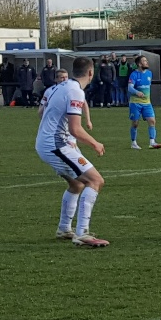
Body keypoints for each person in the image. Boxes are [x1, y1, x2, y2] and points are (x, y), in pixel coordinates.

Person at [39, 57, 112, 248]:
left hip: (47, 143)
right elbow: (75, 129)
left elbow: (42, 113)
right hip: (56, 145)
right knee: (95, 181)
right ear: (91, 73)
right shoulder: (75, 91)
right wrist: (95, 143)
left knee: (77, 183)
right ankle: (82, 233)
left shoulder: (59, 87)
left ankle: (64, 228)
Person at [128, 55, 161, 149]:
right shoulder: (134, 74)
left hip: (147, 103)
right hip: (135, 103)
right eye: (144, 61)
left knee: (152, 121)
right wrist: (137, 92)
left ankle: (152, 142)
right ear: (139, 64)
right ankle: (133, 143)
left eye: (146, 60)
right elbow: (130, 87)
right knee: (135, 123)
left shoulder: (149, 73)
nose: (147, 62)